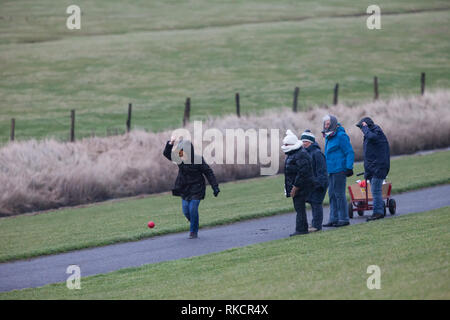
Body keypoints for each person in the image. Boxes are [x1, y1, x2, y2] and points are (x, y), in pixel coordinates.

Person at [163, 137, 220, 239]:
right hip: (184, 187)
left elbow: (208, 172)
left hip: (197, 187)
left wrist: (215, 187)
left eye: (182, 151)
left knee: (193, 209)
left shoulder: (198, 160)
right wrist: (170, 143)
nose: (180, 153)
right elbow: (167, 154)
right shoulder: (179, 158)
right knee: (186, 211)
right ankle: (194, 221)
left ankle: (193, 231)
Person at [321, 115, 354, 228]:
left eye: (328, 123)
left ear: (333, 123)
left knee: (339, 194)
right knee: (331, 194)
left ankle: (344, 218)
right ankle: (333, 218)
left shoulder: (341, 136)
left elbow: (349, 152)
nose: (326, 125)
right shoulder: (327, 137)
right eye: (325, 123)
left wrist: (349, 167)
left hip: (340, 169)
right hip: (330, 170)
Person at [356, 117, 390, 221]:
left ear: (367, 125)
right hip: (374, 168)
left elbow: (371, 137)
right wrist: (367, 171)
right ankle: (379, 211)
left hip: (379, 167)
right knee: (375, 191)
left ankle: (378, 213)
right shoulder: (370, 135)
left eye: (362, 127)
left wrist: (365, 128)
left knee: (376, 191)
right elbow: (369, 156)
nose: (362, 130)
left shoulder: (376, 132)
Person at [282, 130, 315, 236]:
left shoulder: (300, 154)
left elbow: (303, 172)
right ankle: (302, 228)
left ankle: (301, 229)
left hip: (301, 186)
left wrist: (295, 186)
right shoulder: (294, 154)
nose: (284, 146)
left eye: (286, 144)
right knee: (299, 207)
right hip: (297, 185)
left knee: (300, 208)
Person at [300, 130, 328, 232]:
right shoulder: (306, 153)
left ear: (311, 142)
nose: (304, 144)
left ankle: (317, 226)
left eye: (306, 141)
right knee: (313, 203)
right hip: (312, 184)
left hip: (319, 183)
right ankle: (314, 224)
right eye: (302, 141)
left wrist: (318, 183)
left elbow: (322, 171)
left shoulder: (317, 153)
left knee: (316, 203)